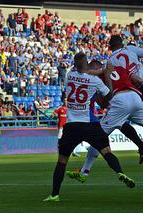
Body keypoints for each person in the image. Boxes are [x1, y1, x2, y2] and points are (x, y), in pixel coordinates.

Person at [67, 36, 143, 182]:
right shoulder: (120, 66)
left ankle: (84, 172)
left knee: (98, 138)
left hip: (120, 100)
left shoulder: (97, 76)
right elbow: (138, 79)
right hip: (136, 97)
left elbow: (104, 99)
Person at [43, 52, 135, 202]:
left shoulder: (69, 75)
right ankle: (119, 172)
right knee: (106, 152)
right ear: (86, 64)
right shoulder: (94, 81)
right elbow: (108, 95)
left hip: (71, 125)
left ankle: (54, 195)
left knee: (62, 161)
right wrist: (107, 73)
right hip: (90, 125)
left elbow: (81, 69)